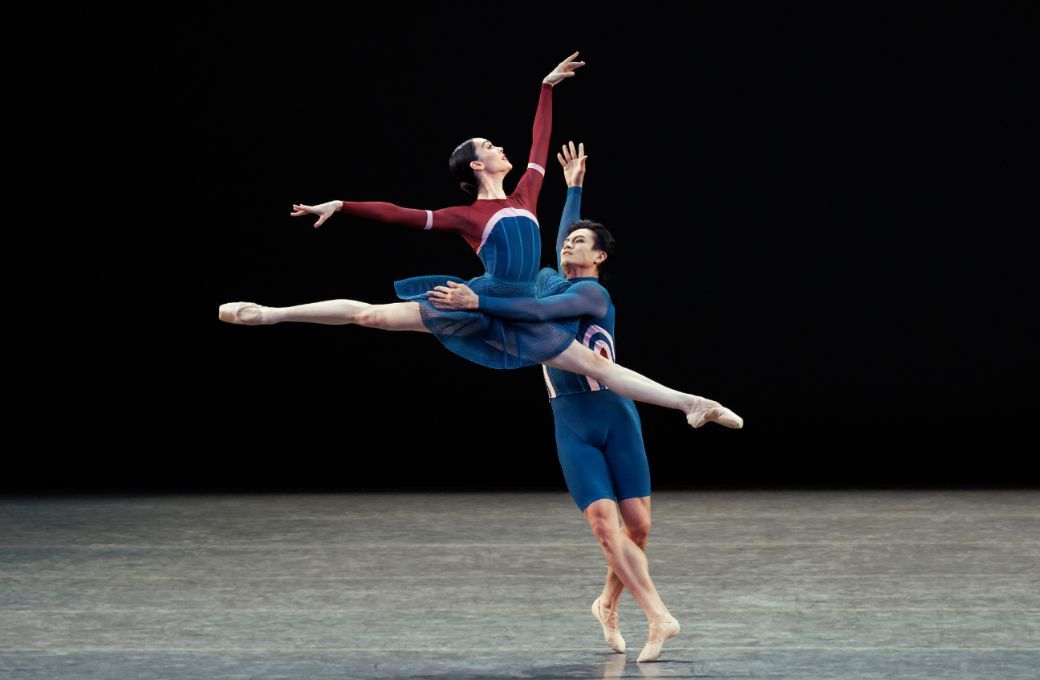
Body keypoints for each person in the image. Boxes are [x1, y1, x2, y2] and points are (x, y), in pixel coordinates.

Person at [219, 51, 741, 428]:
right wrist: (343, 205)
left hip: (521, 305)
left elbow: (541, 142)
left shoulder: (526, 194)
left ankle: (691, 402)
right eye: (490, 146)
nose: (500, 147)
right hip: (476, 300)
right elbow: (401, 214)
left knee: (600, 367)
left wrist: (546, 88)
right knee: (372, 315)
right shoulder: (468, 216)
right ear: (476, 163)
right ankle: (270, 313)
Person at [428, 141, 681, 662]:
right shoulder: (547, 286)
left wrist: (481, 300)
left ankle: (606, 605)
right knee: (605, 526)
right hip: (572, 422)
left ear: (600, 257)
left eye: (580, 244)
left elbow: (552, 295)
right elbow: (561, 245)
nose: (567, 248)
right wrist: (572, 188)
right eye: (566, 244)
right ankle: (659, 616)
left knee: (639, 527)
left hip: (617, 415)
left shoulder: (591, 296)